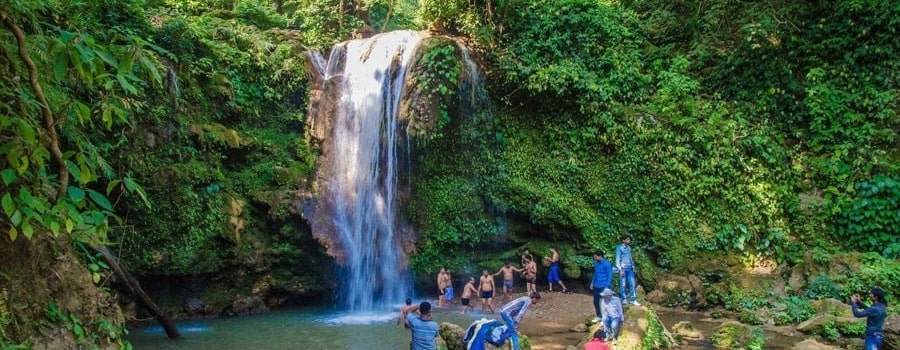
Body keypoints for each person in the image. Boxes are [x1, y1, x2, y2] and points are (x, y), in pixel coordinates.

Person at [590, 250, 613, 323]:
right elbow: (595, 274)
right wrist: (592, 282)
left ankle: (605, 318)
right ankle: (599, 316)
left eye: (595, 256)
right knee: (595, 301)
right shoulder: (596, 264)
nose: (595, 258)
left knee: (604, 303)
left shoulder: (607, 264)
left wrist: (607, 286)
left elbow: (609, 275)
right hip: (596, 284)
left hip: (604, 285)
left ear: (600, 256)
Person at [615, 235, 639, 305]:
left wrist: (633, 267)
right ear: (623, 240)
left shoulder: (629, 248)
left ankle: (633, 299)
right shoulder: (619, 248)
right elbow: (617, 259)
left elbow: (630, 258)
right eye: (627, 239)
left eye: (629, 239)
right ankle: (624, 299)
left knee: (632, 284)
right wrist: (620, 269)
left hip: (630, 268)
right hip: (623, 268)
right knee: (623, 284)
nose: (629, 241)